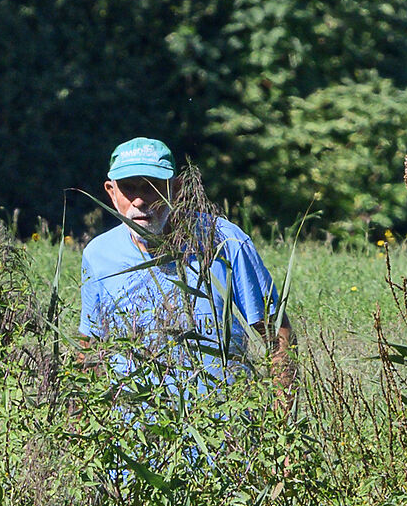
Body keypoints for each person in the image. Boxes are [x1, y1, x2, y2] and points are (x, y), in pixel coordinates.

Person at [79, 137, 286, 396]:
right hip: (133, 431)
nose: (140, 201)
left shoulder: (224, 240)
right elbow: (91, 348)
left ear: (176, 189)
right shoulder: (98, 255)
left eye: (152, 187)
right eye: (129, 189)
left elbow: (276, 334)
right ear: (111, 192)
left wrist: (282, 419)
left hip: (224, 428)